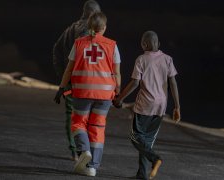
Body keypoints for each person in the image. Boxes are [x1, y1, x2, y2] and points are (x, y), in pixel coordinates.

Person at [54, 12, 121, 177]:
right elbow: (116, 73)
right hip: (105, 94)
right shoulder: (112, 45)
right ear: (104, 28)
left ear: (89, 27)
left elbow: (69, 69)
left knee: (78, 123)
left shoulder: (78, 44)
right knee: (97, 127)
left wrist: (61, 88)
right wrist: (118, 92)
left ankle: (84, 150)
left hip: (83, 92)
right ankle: (92, 167)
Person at [113, 31, 180, 180]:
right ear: (159, 44)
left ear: (143, 44)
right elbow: (173, 83)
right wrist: (177, 107)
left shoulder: (141, 59)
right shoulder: (168, 59)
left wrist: (119, 99)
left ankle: (155, 158)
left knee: (135, 136)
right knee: (146, 141)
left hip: (145, 105)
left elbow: (135, 83)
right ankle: (141, 174)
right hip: (161, 106)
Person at [53, 0, 101, 161]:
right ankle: (82, 150)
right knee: (84, 118)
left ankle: (74, 150)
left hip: (70, 83)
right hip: (85, 83)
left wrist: (62, 76)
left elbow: (57, 49)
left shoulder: (69, 29)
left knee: (71, 115)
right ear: (94, 14)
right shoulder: (88, 31)